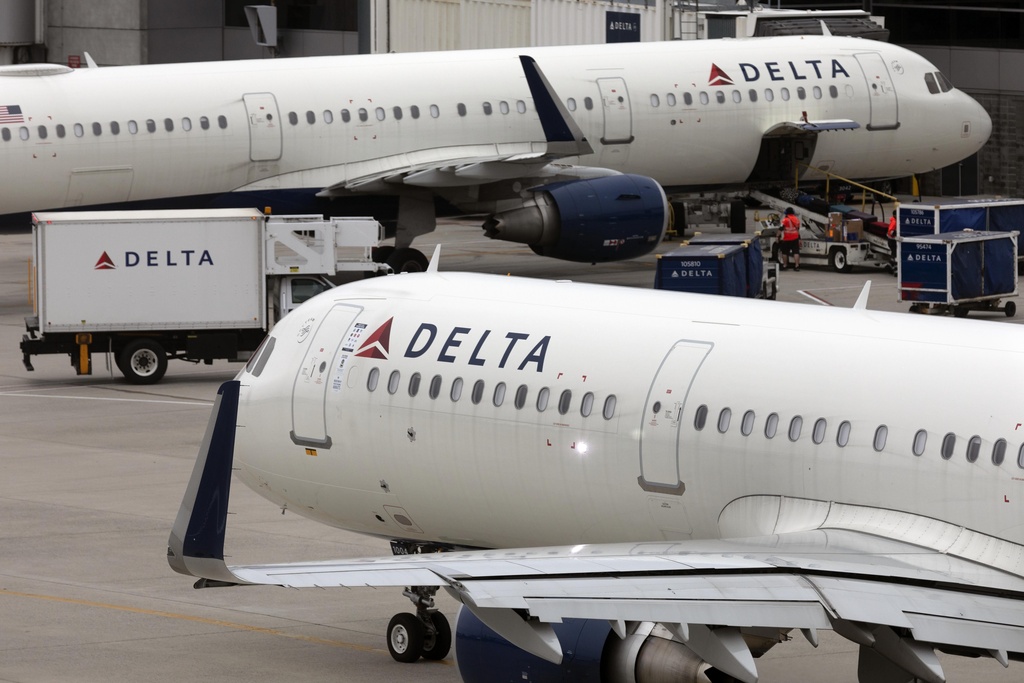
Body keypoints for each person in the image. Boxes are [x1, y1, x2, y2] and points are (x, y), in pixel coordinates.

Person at [779, 207, 801, 271]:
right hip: (795, 238)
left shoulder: (785, 220)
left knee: (785, 252)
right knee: (796, 252)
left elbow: (781, 228)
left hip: (787, 238)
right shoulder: (796, 219)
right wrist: (799, 238)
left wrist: (777, 236)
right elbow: (798, 229)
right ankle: (797, 266)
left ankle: (785, 265)